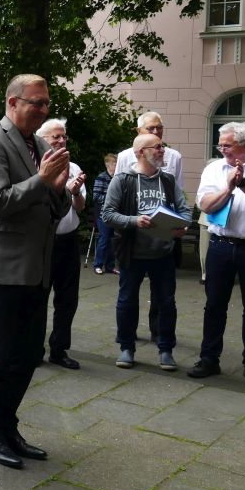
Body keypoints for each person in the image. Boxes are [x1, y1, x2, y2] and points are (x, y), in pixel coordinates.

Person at [0, 74, 70, 469]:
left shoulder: (40, 145)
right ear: (13, 102)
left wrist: (59, 189)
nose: (43, 110)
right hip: (1, 268)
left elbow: (53, 205)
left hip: (36, 267)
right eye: (36, 103)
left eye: (46, 104)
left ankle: (9, 428)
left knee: (28, 354)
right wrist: (42, 180)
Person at [189, 122, 245, 388]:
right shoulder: (214, 169)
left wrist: (244, 183)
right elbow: (205, 205)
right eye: (220, 145)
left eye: (227, 145)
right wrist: (229, 187)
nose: (222, 150)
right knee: (214, 304)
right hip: (221, 245)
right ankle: (209, 358)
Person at [102, 133, 190, 371]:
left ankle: (166, 349)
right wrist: (134, 221)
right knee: (127, 301)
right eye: (158, 147)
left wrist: (181, 227)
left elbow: (185, 210)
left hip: (163, 253)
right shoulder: (123, 180)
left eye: (163, 146)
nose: (163, 150)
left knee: (167, 303)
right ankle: (126, 347)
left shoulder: (168, 180)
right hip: (132, 253)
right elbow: (107, 214)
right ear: (141, 152)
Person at [117, 111, 185, 340]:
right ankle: (128, 336)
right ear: (138, 132)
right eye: (151, 128)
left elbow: (178, 193)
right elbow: (118, 195)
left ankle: (159, 332)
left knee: (163, 294)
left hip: (164, 235)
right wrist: (129, 221)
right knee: (129, 292)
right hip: (134, 237)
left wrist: (179, 224)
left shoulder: (173, 156)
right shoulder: (125, 156)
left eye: (159, 128)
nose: (157, 132)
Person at [35, 118, 86, 370]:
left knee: (67, 298)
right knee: (37, 297)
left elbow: (80, 207)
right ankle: (34, 349)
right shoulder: (36, 165)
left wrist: (74, 192)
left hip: (68, 241)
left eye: (63, 136)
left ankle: (59, 349)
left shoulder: (73, 167)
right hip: (42, 242)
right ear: (42, 139)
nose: (61, 140)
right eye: (56, 136)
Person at [92, 153, 117, 275]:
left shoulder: (117, 178)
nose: (117, 166)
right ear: (109, 165)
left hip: (115, 214)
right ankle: (98, 265)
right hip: (103, 215)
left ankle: (110, 266)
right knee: (104, 239)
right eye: (115, 164)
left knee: (112, 241)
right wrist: (111, 198)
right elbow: (96, 197)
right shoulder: (101, 177)